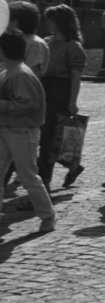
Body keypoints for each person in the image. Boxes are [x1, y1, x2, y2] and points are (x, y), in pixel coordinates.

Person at [0, 30, 55, 230]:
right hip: (6, 129)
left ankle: (48, 215)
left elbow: (29, 103)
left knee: (28, 175)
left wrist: (3, 106)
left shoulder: (20, 74)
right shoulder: (8, 72)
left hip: (22, 131)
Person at [38, 4, 86, 189]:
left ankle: (44, 183)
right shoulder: (47, 41)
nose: (48, 23)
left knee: (48, 138)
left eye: (52, 19)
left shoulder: (73, 47)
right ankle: (72, 166)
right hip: (44, 89)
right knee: (45, 136)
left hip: (60, 90)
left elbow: (75, 77)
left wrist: (72, 102)